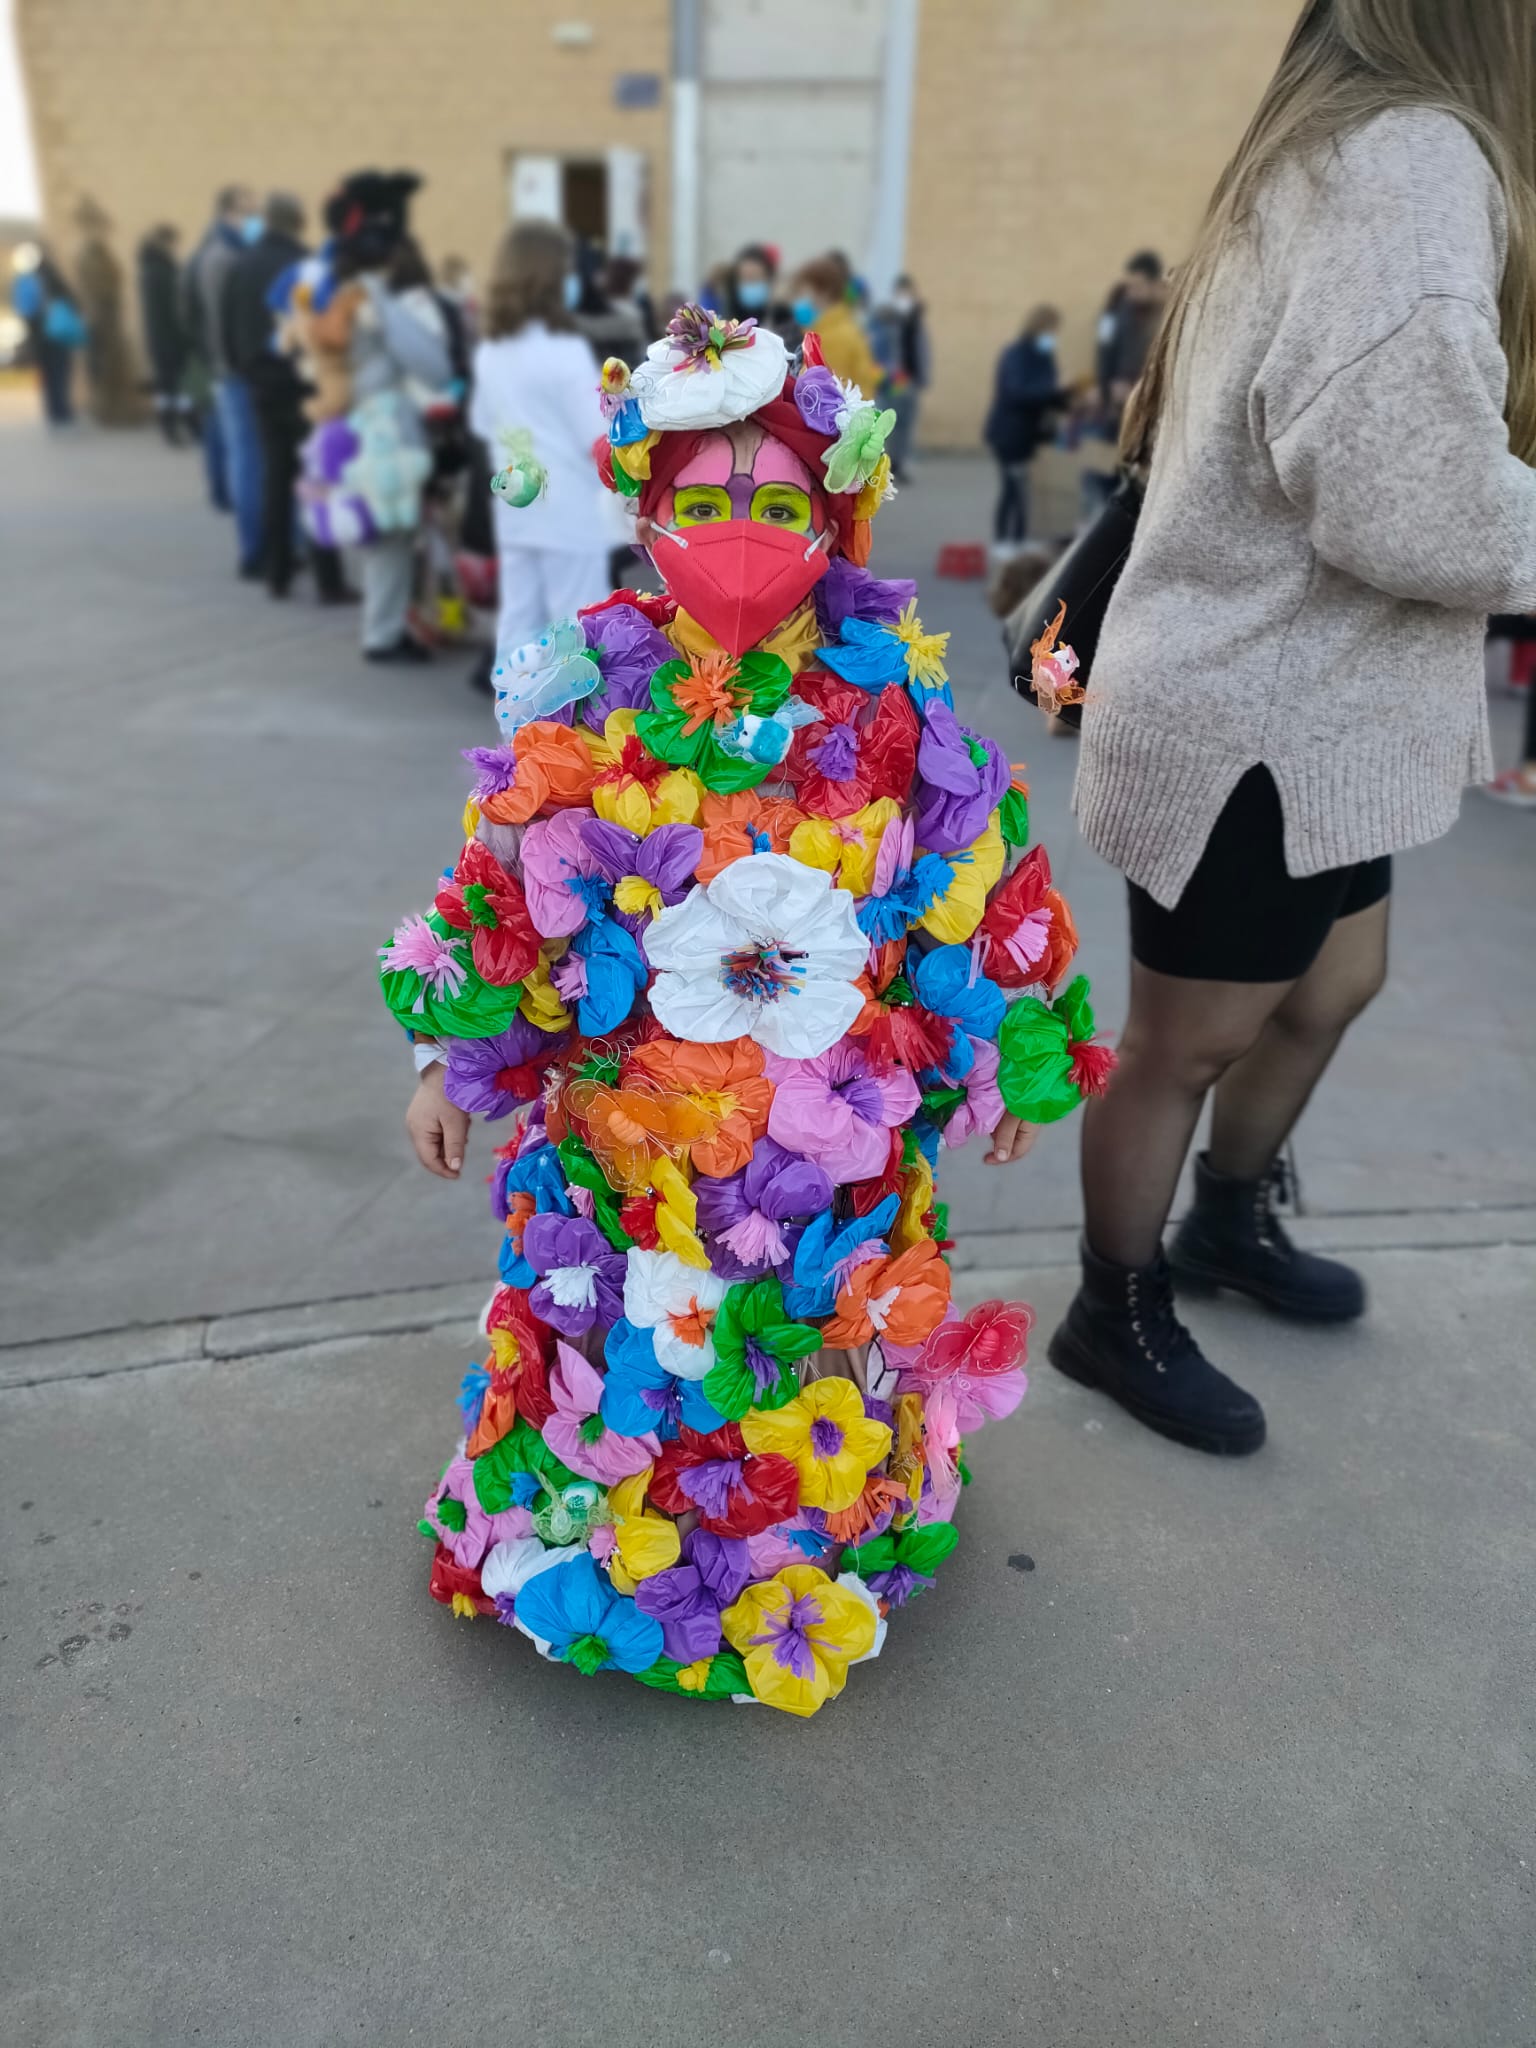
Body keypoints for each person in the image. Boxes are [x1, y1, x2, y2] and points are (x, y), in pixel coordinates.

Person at [382, 296, 1109, 1715]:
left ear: (836, 517)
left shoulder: (893, 699)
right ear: (648, 508)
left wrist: (1016, 1052)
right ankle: (618, 1547)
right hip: (624, 1147)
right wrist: (443, 1055)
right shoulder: (589, 699)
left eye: (781, 498)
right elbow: (506, 893)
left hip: (821, 1146)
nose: (743, 526)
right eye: (706, 497)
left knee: (796, 1344)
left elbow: (979, 873)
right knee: (640, 1349)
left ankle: (796, 1546)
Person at [1051, 0, 1536, 1458]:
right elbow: (1410, 497)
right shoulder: (1406, 160)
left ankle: (1226, 1221)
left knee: (1333, 986)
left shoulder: (1329, 149)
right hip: (1253, 711)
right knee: (1181, 1045)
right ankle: (1113, 1306)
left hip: (1319, 710)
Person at [468, 220, 612, 664]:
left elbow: (479, 422)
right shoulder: (564, 351)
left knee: (518, 627)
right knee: (578, 633)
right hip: (570, 513)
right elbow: (599, 437)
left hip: (516, 509)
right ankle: (572, 731)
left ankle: (516, 726)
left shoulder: (491, 352)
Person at [223, 193, 346, 603]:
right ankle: (328, 580)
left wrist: (243, 369)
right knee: (317, 478)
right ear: (300, 221)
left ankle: (277, 573)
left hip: (259, 385)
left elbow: (225, 328)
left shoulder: (239, 264)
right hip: (302, 384)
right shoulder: (306, 267)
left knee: (275, 478)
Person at [195, 185, 266, 570]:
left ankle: (260, 544)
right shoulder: (222, 258)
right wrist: (234, 366)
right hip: (236, 374)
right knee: (248, 462)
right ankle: (253, 550)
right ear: (225, 213)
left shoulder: (225, 253)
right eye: (246, 210)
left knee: (249, 460)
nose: (253, 218)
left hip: (231, 371)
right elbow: (222, 323)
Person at [983, 305, 1068, 548]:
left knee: (1023, 489)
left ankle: (1018, 538)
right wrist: (1051, 392)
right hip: (1008, 434)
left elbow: (1048, 391)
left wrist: (1065, 396)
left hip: (1029, 435)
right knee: (1013, 489)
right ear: (1039, 327)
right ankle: (1004, 541)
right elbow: (1016, 391)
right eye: (1051, 330)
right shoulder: (1016, 354)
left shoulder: (1044, 356)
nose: (1053, 336)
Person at [72, 196, 138, 425]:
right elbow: (95, 288)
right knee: (106, 365)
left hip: (110, 315)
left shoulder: (101, 254)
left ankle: (119, 410)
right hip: (102, 316)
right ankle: (109, 412)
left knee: (116, 363)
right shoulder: (88, 256)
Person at [788, 254, 883, 396]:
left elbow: (825, 395)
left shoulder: (832, 337)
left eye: (803, 293)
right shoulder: (834, 327)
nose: (799, 301)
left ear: (824, 293)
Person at [136, 225, 194, 445]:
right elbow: (174, 310)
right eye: (175, 243)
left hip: (158, 338)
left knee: (166, 386)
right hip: (170, 339)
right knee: (176, 386)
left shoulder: (149, 269)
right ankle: (178, 426)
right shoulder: (164, 271)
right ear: (166, 243)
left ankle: (170, 425)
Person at [10, 245, 81, 426]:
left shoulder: (23, 280)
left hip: (39, 334)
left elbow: (23, 309)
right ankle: (62, 409)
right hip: (56, 332)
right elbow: (70, 298)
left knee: (50, 373)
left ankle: (54, 410)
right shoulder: (50, 274)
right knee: (60, 370)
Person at [869, 273, 931, 481]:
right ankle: (882, 464)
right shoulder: (884, 318)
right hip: (893, 378)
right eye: (901, 294)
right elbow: (876, 348)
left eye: (908, 293)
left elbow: (922, 349)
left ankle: (898, 464)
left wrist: (923, 375)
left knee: (906, 422)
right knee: (888, 421)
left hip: (910, 378)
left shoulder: (915, 319)